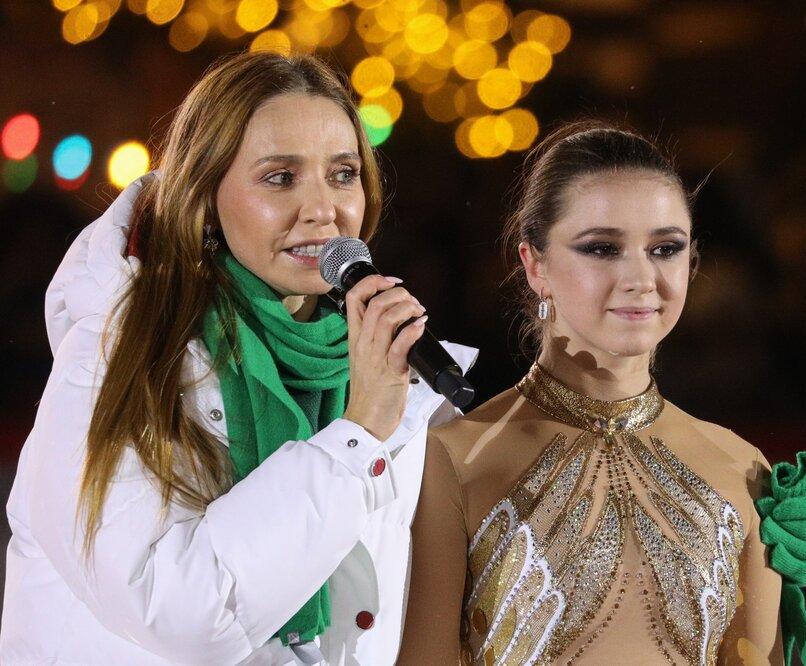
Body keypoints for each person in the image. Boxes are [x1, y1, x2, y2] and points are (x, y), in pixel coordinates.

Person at [0, 51, 474, 665]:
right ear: (205, 193)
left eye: (343, 174)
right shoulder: (118, 360)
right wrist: (357, 435)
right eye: (280, 178)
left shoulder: (379, 372)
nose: (323, 209)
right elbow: (183, 614)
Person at [399, 121, 789, 665]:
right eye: (603, 248)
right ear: (534, 264)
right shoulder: (451, 460)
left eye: (666, 248)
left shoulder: (743, 469)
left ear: (692, 260)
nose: (641, 278)